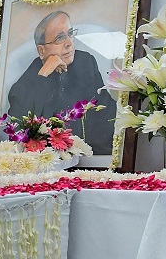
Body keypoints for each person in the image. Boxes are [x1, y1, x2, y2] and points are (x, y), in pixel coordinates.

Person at [7, 10, 116, 154]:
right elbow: (22, 128)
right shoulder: (24, 85)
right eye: (59, 38)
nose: (69, 43)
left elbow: (106, 110)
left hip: (91, 159)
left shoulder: (86, 62)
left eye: (70, 33)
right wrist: (44, 74)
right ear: (41, 51)